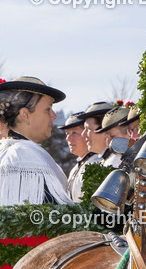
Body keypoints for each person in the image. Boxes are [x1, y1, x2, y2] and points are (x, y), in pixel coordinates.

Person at [0, 76, 73, 205]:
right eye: (48, 109)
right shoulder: (24, 156)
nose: (54, 116)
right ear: (25, 115)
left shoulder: (10, 151)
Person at [62, 112, 101, 202]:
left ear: (86, 133)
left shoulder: (97, 163)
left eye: (74, 133)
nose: (68, 138)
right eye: (67, 134)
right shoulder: (76, 168)